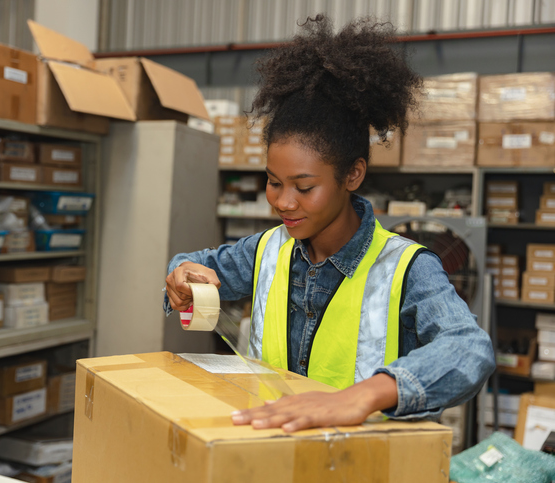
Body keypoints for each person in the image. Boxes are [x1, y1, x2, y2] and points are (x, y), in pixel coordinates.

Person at [163, 15, 495, 433]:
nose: (283, 202)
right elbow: (195, 265)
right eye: (273, 182)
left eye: (304, 187)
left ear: (352, 176)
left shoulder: (406, 268)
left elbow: (469, 349)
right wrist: (182, 276)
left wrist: (362, 397)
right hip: (277, 454)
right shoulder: (268, 249)